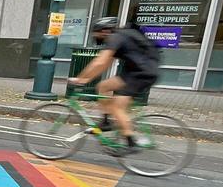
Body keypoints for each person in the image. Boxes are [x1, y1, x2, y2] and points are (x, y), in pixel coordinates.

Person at [68, 16, 161, 155]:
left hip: (141, 74)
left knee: (117, 107)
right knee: (103, 86)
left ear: (104, 31)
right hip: (135, 72)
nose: (94, 35)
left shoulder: (115, 38)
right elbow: (105, 64)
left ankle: (131, 143)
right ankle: (106, 123)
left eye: (95, 32)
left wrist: (80, 79)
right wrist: (86, 79)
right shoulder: (119, 38)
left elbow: (99, 62)